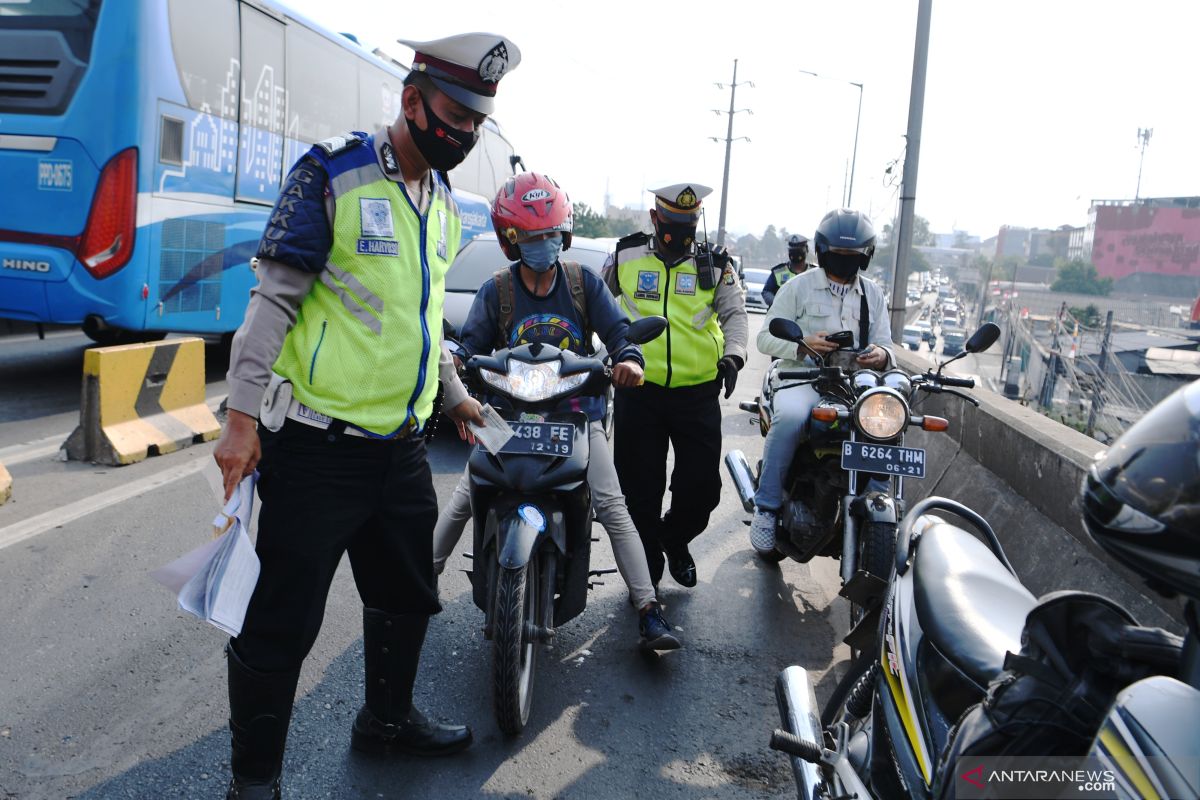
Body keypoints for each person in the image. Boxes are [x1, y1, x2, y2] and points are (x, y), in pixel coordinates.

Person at [211, 33, 520, 800]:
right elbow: (272, 302)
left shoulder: (443, 204)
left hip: (401, 451)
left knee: (406, 593)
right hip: (316, 448)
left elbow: (417, 323)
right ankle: (255, 781)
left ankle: (385, 720)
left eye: (477, 123)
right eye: (454, 115)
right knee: (282, 621)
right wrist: (241, 421)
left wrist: (454, 399)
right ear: (412, 101)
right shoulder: (333, 173)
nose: (465, 134)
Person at [431, 172, 680, 651]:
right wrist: (459, 366)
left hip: (576, 414)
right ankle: (422, 584)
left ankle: (648, 608)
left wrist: (628, 359)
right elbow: (469, 347)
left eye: (548, 236)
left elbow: (621, 332)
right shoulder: (497, 291)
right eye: (530, 237)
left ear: (562, 236)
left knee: (611, 503)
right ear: (512, 241)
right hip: (507, 416)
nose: (541, 245)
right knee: (466, 494)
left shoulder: (582, 283)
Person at [602, 183, 748, 590]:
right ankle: (647, 566)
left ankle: (675, 538)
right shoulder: (626, 255)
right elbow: (591, 302)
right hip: (638, 389)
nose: (681, 231)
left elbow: (735, 315)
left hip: (697, 394)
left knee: (702, 490)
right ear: (654, 219)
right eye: (672, 222)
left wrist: (734, 356)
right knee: (639, 491)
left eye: (689, 223)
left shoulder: (716, 264)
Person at [748, 209, 894, 553]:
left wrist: (881, 355)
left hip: (853, 386)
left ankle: (878, 500)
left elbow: (887, 344)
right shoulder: (797, 287)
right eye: (838, 256)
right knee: (792, 418)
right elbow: (765, 340)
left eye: (853, 256)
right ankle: (767, 508)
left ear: (866, 257)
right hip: (802, 378)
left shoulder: (871, 294)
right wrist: (803, 345)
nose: (845, 263)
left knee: (884, 422)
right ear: (822, 252)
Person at [761, 233, 810, 308]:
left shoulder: (815, 272)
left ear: (807, 250)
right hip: (782, 316)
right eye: (792, 251)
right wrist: (778, 304)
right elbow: (766, 292)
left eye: (798, 251)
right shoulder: (779, 271)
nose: (795, 254)